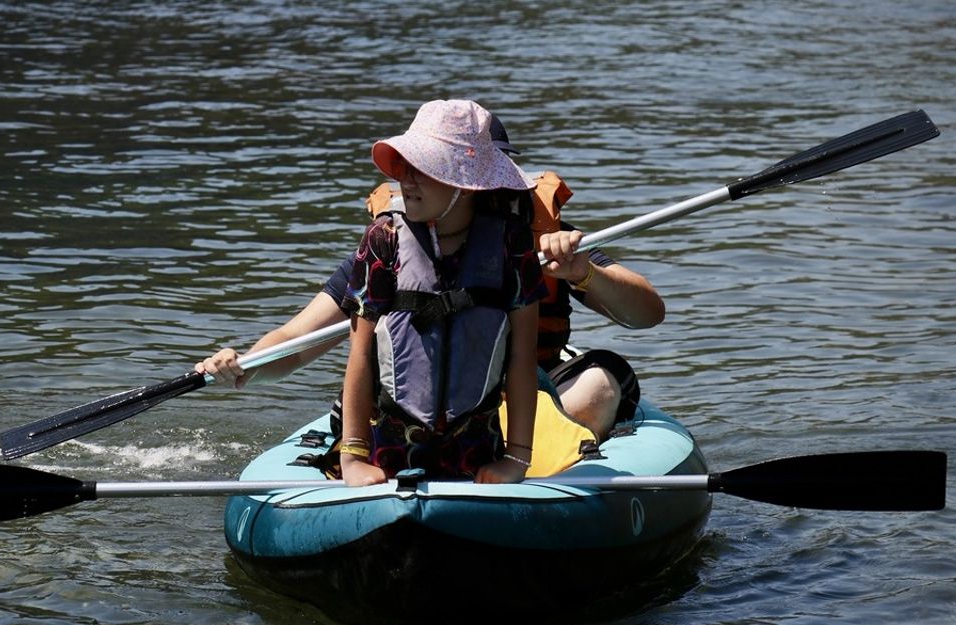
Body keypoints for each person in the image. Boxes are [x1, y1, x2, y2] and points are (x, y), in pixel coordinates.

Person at [196, 112, 664, 442]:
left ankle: (548, 463)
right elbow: (299, 337)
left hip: (532, 398)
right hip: (421, 402)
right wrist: (243, 368)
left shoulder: (540, 238)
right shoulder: (387, 247)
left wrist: (585, 274)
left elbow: (647, 313)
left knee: (602, 384)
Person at [333, 99, 544, 486]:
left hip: (478, 455)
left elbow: (522, 356)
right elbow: (360, 353)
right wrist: (353, 459)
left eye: (423, 169)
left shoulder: (512, 243)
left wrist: (516, 459)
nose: (406, 180)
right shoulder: (384, 240)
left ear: (464, 186)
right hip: (391, 456)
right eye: (405, 168)